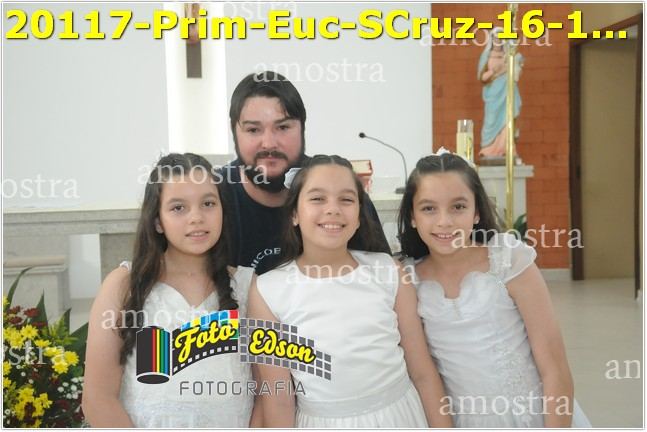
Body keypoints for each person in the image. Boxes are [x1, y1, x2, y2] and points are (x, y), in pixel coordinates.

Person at [247, 155, 452, 428]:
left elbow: (423, 372)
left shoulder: (388, 271)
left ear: (358, 216)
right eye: (317, 198)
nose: (333, 209)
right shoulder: (268, 291)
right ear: (294, 213)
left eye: (346, 199)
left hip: (400, 416)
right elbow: (279, 399)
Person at [397, 151, 591, 427]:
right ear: (412, 216)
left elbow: (554, 367)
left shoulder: (508, 259)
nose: (444, 221)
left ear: (476, 211)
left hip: (532, 416)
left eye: (458, 207)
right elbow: (423, 375)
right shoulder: (407, 279)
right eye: (429, 208)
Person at [82, 153, 258, 427]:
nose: (196, 217)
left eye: (208, 204)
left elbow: (268, 395)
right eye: (178, 208)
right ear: (157, 221)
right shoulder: (123, 286)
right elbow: (98, 398)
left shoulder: (248, 286)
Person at [220, 71, 390, 274]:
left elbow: (382, 277)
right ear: (234, 132)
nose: (269, 143)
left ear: (302, 129)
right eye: (253, 130)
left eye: (283, 127)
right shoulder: (213, 195)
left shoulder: (338, 187)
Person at [478, 27, 523, 158]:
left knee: (507, 120)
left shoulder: (508, 56)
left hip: (507, 91)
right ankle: (488, 149)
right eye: (495, 39)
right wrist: (494, 71)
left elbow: (516, 71)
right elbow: (482, 77)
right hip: (493, 94)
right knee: (491, 120)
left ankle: (506, 149)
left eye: (500, 39)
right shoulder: (486, 56)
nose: (498, 41)